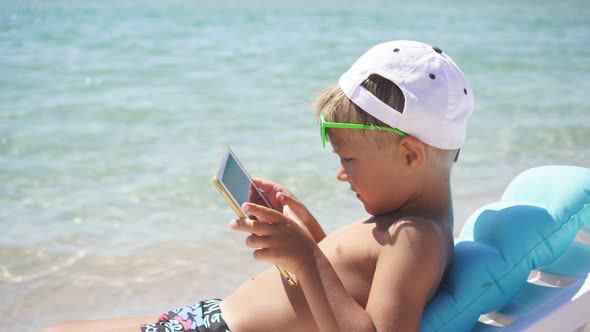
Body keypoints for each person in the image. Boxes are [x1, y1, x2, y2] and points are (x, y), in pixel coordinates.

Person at [45, 40, 474, 332]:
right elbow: (347, 292)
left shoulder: (416, 238)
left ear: (410, 155)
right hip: (209, 315)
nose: (341, 174)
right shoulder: (404, 225)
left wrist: (307, 257)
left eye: (348, 159)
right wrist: (306, 231)